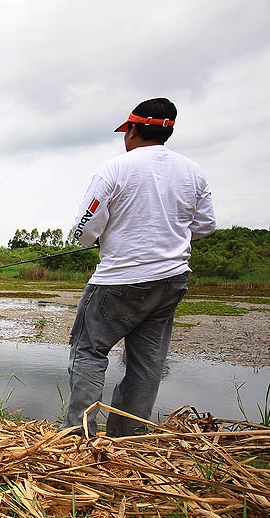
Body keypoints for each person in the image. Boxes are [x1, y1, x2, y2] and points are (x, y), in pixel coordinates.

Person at [61, 98, 216, 437]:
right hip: (171, 281)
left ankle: (78, 436)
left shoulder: (115, 169)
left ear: (131, 130)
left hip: (117, 280)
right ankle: (129, 440)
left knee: (89, 351)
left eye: (125, 132)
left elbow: (83, 231)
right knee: (147, 364)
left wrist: (94, 239)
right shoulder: (193, 172)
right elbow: (205, 227)